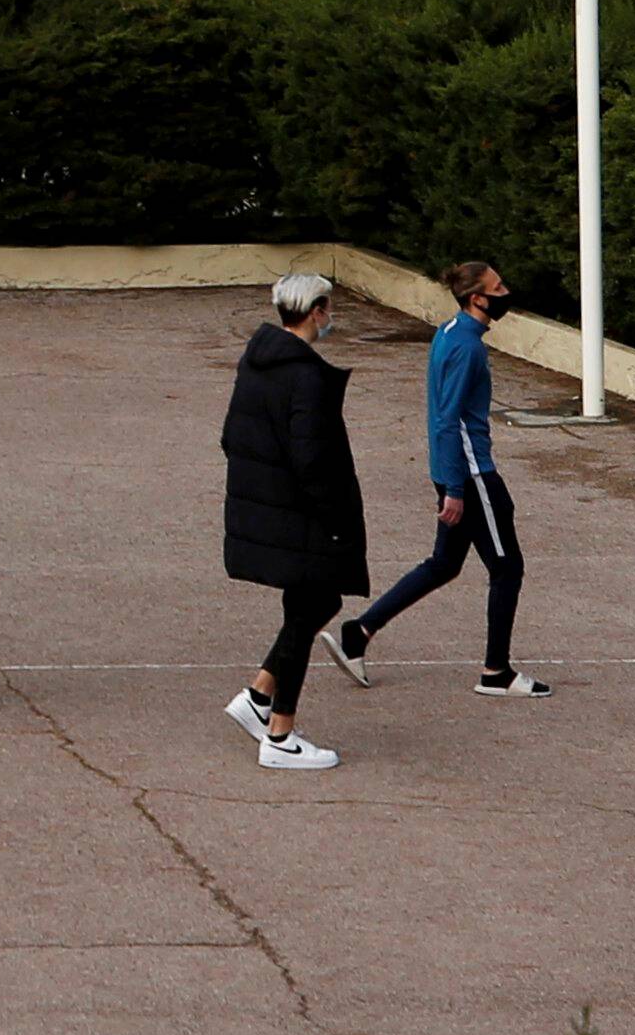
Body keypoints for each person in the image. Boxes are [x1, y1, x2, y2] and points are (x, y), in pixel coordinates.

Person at [328, 259, 553, 698]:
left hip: (453, 470)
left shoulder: (450, 332)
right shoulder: (468, 347)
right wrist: (455, 489)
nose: (506, 292)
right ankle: (496, 673)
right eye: (498, 286)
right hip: (472, 476)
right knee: (507, 568)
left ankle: (359, 633)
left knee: (445, 564)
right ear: (478, 298)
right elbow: (449, 420)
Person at [218, 273, 368, 771]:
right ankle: (280, 734)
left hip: (270, 506)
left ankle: (260, 695)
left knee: (314, 602)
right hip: (299, 512)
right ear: (316, 311)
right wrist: (332, 515)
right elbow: (312, 458)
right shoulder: (305, 375)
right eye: (329, 309)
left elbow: (232, 435)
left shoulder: (258, 361)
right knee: (308, 608)